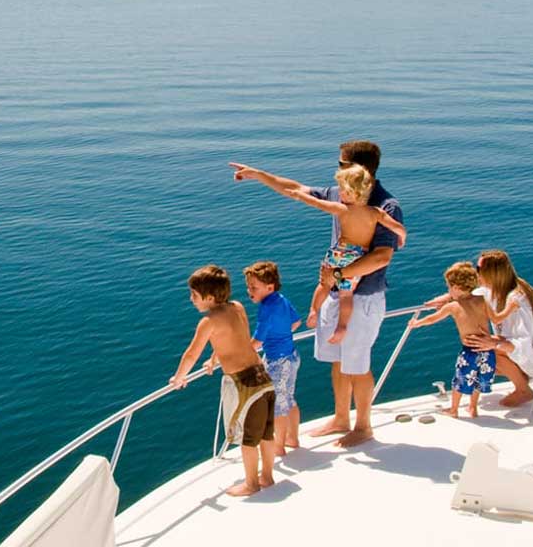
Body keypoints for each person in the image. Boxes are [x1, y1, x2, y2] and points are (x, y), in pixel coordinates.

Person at [230, 140, 403, 447]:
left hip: (362, 298)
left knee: (357, 364)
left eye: (341, 164)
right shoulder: (342, 193)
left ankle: (363, 426)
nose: (336, 169)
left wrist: (338, 275)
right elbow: (297, 189)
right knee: (338, 360)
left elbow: (382, 257)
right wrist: (259, 175)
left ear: (356, 168)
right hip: (337, 292)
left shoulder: (385, 206)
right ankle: (341, 418)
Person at [169, 265, 276, 496]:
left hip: (244, 384)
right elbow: (236, 338)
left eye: (194, 295)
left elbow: (191, 354)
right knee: (267, 434)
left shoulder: (208, 322)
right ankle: (267, 476)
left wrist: (179, 377)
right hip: (263, 375)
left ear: (209, 297)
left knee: (248, 439)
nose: (191, 299)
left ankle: (251, 483)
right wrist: (214, 359)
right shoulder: (237, 307)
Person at [284, 164, 406, 344]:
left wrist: (298, 195)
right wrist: (401, 238)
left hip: (339, 253)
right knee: (346, 294)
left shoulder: (342, 209)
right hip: (356, 258)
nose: (339, 192)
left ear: (352, 193)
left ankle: (314, 310)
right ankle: (342, 326)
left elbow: (317, 203)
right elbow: (398, 227)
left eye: (342, 189)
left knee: (324, 284)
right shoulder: (376, 213)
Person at [428, 250, 533, 406]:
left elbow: (523, 342)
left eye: (479, 269)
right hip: (526, 350)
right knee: (482, 354)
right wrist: (449, 297)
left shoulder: (516, 301)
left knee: (483, 349)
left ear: (492, 273)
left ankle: (523, 390)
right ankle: (520, 378)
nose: (476, 273)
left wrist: (494, 343)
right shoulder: (497, 288)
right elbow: (474, 294)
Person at [408, 262, 496, 418]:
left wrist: (416, 323)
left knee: (460, 380)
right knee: (478, 380)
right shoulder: (482, 300)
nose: (448, 291)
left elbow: (432, 319)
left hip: (470, 351)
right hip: (487, 349)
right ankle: (473, 407)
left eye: (449, 288)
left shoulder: (453, 306)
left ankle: (454, 409)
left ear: (456, 288)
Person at [243, 261, 302, 456]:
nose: (249, 291)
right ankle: (293, 438)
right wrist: (281, 334)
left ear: (269, 287)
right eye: (248, 287)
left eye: (254, 287)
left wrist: (239, 353)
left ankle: (279, 447)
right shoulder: (282, 299)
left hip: (278, 362)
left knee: (277, 407)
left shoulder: (266, 309)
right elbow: (296, 322)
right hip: (291, 356)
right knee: (289, 399)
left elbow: (257, 341)